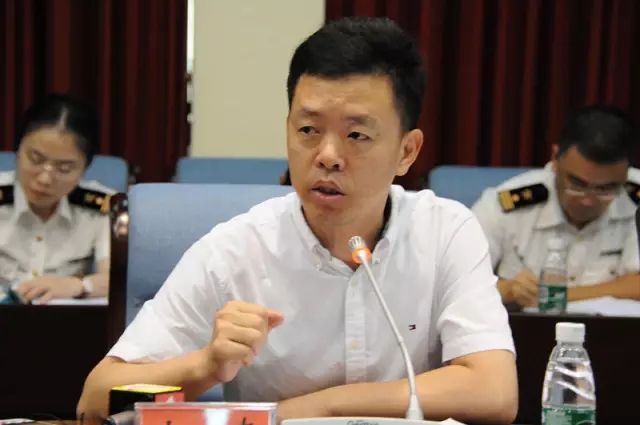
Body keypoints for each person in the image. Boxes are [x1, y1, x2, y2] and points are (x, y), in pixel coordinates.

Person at [78, 16, 517, 424]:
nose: (328, 156)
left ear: (407, 151)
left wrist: (313, 409)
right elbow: (95, 401)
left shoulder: (444, 233)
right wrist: (206, 364)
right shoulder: (237, 251)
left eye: (357, 135)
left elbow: (494, 392)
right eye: (308, 130)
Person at [472, 104, 640, 308]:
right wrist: (505, 290)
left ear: (627, 173)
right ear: (554, 159)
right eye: (577, 184)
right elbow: (457, 283)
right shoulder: (503, 206)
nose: (588, 200)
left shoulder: (635, 201)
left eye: (606, 188)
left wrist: (550, 296)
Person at [1, 93, 115, 303]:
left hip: (63, 319)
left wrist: (79, 285)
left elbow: (118, 279)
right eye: (35, 159)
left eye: (64, 169)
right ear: (17, 151)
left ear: (85, 167)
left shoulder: (101, 207)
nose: (45, 179)